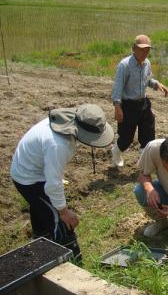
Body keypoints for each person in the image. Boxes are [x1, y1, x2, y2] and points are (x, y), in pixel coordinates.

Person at [10, 104, 114, 261]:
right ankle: (74, 264)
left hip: (28, 170)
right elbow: (53, 184)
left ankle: (41, 244)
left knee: (41, 211)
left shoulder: (63, 124)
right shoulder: (59, 144)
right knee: (61, 222)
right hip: (29, 179)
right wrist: (64, 212)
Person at [111, 34, 168, 168]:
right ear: (134, 48)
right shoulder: (124, 65)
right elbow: (117, 87)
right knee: (126, 139)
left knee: (148, 134)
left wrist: (156, 84)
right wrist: (117, 107)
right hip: (128, 106)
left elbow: (147, 80)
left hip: (143, 103)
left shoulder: (147, 63)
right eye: (141, 49)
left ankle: (145, 162)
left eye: (147, 50)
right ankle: (116, 152)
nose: (144, 53)